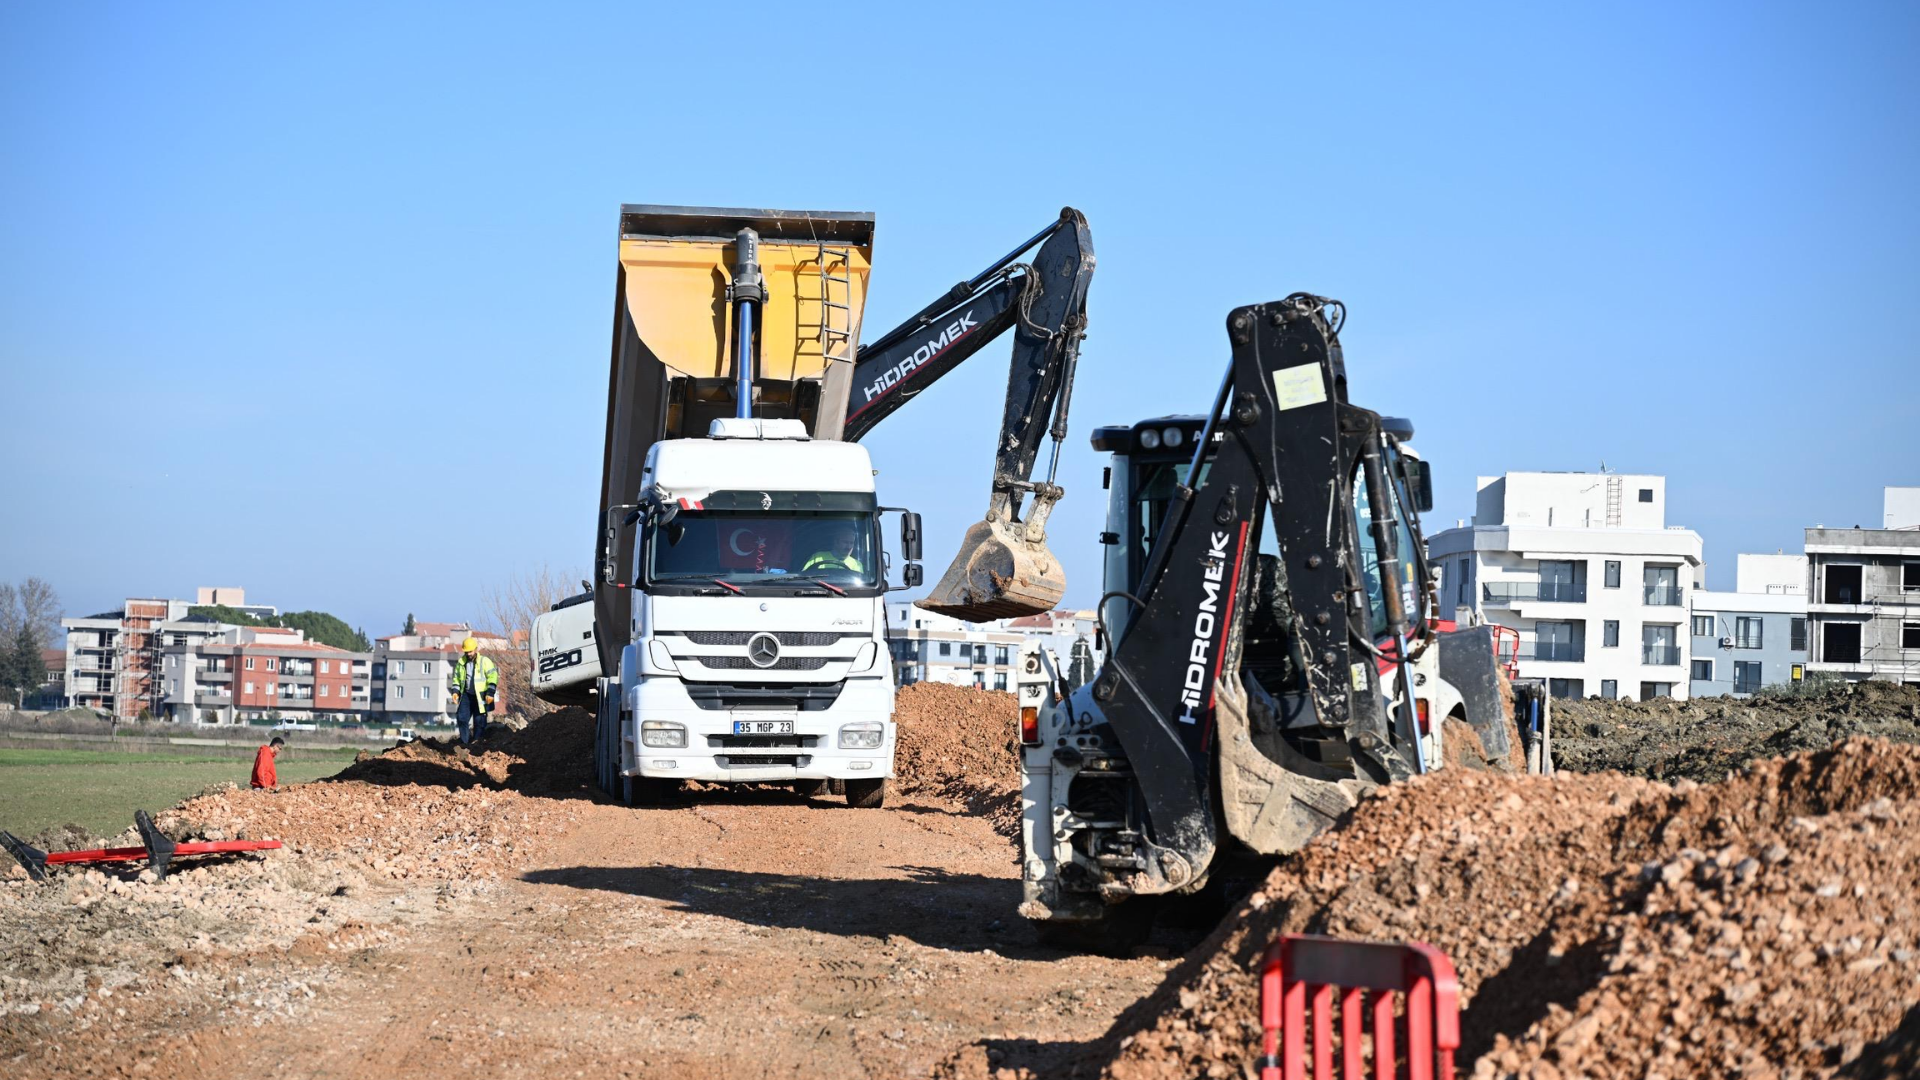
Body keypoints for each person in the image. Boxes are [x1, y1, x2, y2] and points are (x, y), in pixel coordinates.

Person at [449, 637, 500, 746]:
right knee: (461, 718)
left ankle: (477, 744)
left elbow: (493, 676)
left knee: (479, 722)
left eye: (470, 651)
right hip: (467, 695)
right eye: (466, 652)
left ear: (476, 649)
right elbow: (456, 679)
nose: (468, 654)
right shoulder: (461, 663)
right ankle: (465, 743)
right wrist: (455, 691)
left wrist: (490, 692)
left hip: (481, 696)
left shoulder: (485, 662)